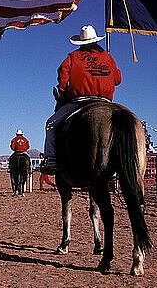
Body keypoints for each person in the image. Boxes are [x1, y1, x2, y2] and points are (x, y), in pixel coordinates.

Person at [41, 25, 122, 175]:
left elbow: (63, 76)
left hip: (80, 100)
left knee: (51, 124)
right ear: (95, 40)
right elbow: (118, 79)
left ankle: (51, 159)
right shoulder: (107, 56)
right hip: (105, 100)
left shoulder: (73, 56)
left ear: (81, 42)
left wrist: (63, 92)